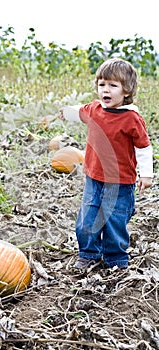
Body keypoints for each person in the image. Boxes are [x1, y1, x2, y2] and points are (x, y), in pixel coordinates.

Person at [59, 58, 153, 270]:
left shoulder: (131, 118)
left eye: (113, 85)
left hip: (120, 183)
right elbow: (79, 111)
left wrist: (146, 174)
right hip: (94, 177)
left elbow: (144, 148)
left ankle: (115, 257)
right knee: (87, 219)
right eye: (102, 85)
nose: (105, 90)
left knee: (114, 220)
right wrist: (66, 113)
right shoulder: (95, 110)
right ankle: (89, 252)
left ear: (126, 91)